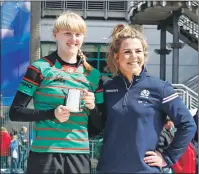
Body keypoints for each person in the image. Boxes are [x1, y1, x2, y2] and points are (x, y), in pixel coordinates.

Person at [9, 11, 103, 174]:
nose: (73, 39)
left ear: (83, 37)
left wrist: (93, 107)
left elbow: (101, 125)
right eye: (67, 33)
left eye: (78, 34)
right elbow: (15, 113)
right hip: (44, 155)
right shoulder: (39, 68)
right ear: (55, 35)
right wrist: (52, 113)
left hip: (79, 156)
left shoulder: (94, 76)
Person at [95, 24, 196, 173]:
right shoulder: (107, 87)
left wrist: (167, 158)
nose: (134, 56)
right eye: (127, 52)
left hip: (145, 170)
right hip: (109, 169)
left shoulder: (160, 88)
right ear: (117, 56)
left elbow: (188, 125)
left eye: (138, 51)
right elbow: (96, 126)